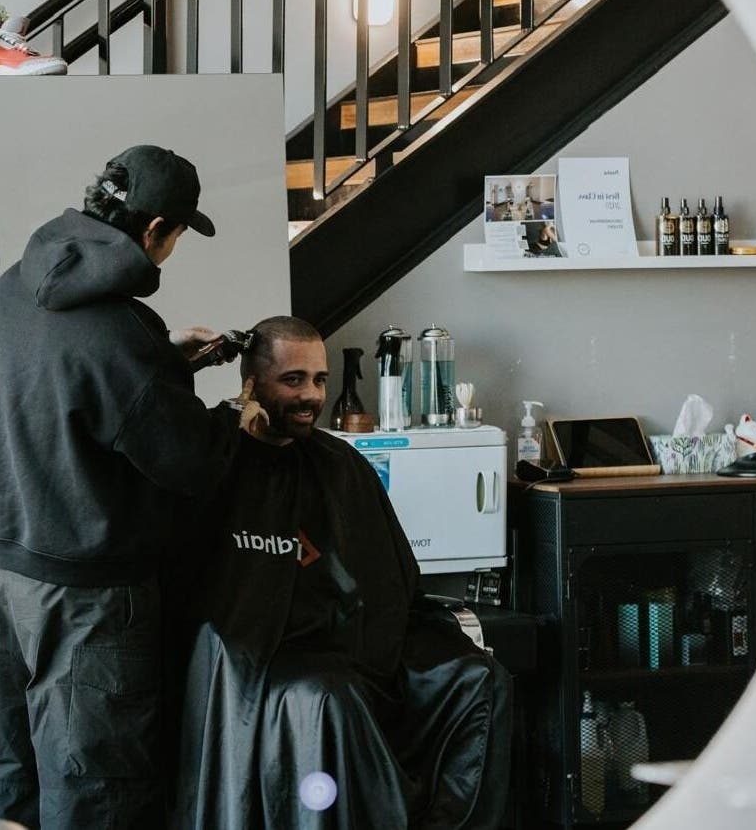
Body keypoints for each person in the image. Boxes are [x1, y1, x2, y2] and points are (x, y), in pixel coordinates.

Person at [0, 144, 265, 829]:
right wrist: (237, 419)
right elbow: (188, 461)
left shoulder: (16, 283)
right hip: (88, 600)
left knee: (14, 769)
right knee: (95, 788)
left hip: (9, 580)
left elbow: (71, 391)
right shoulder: (119, 330)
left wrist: (166, 363)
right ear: (158, 228)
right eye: (179, 234)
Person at [171, 316, 512, 830]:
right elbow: (203, 590)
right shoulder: (216, 462)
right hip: (264, 656)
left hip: (360, 646)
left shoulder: (341, 464)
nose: (311, 396)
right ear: (254, 381)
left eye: (320, 380)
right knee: (331, 699)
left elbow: (391, 581)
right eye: (293, 380)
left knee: (481, 680)